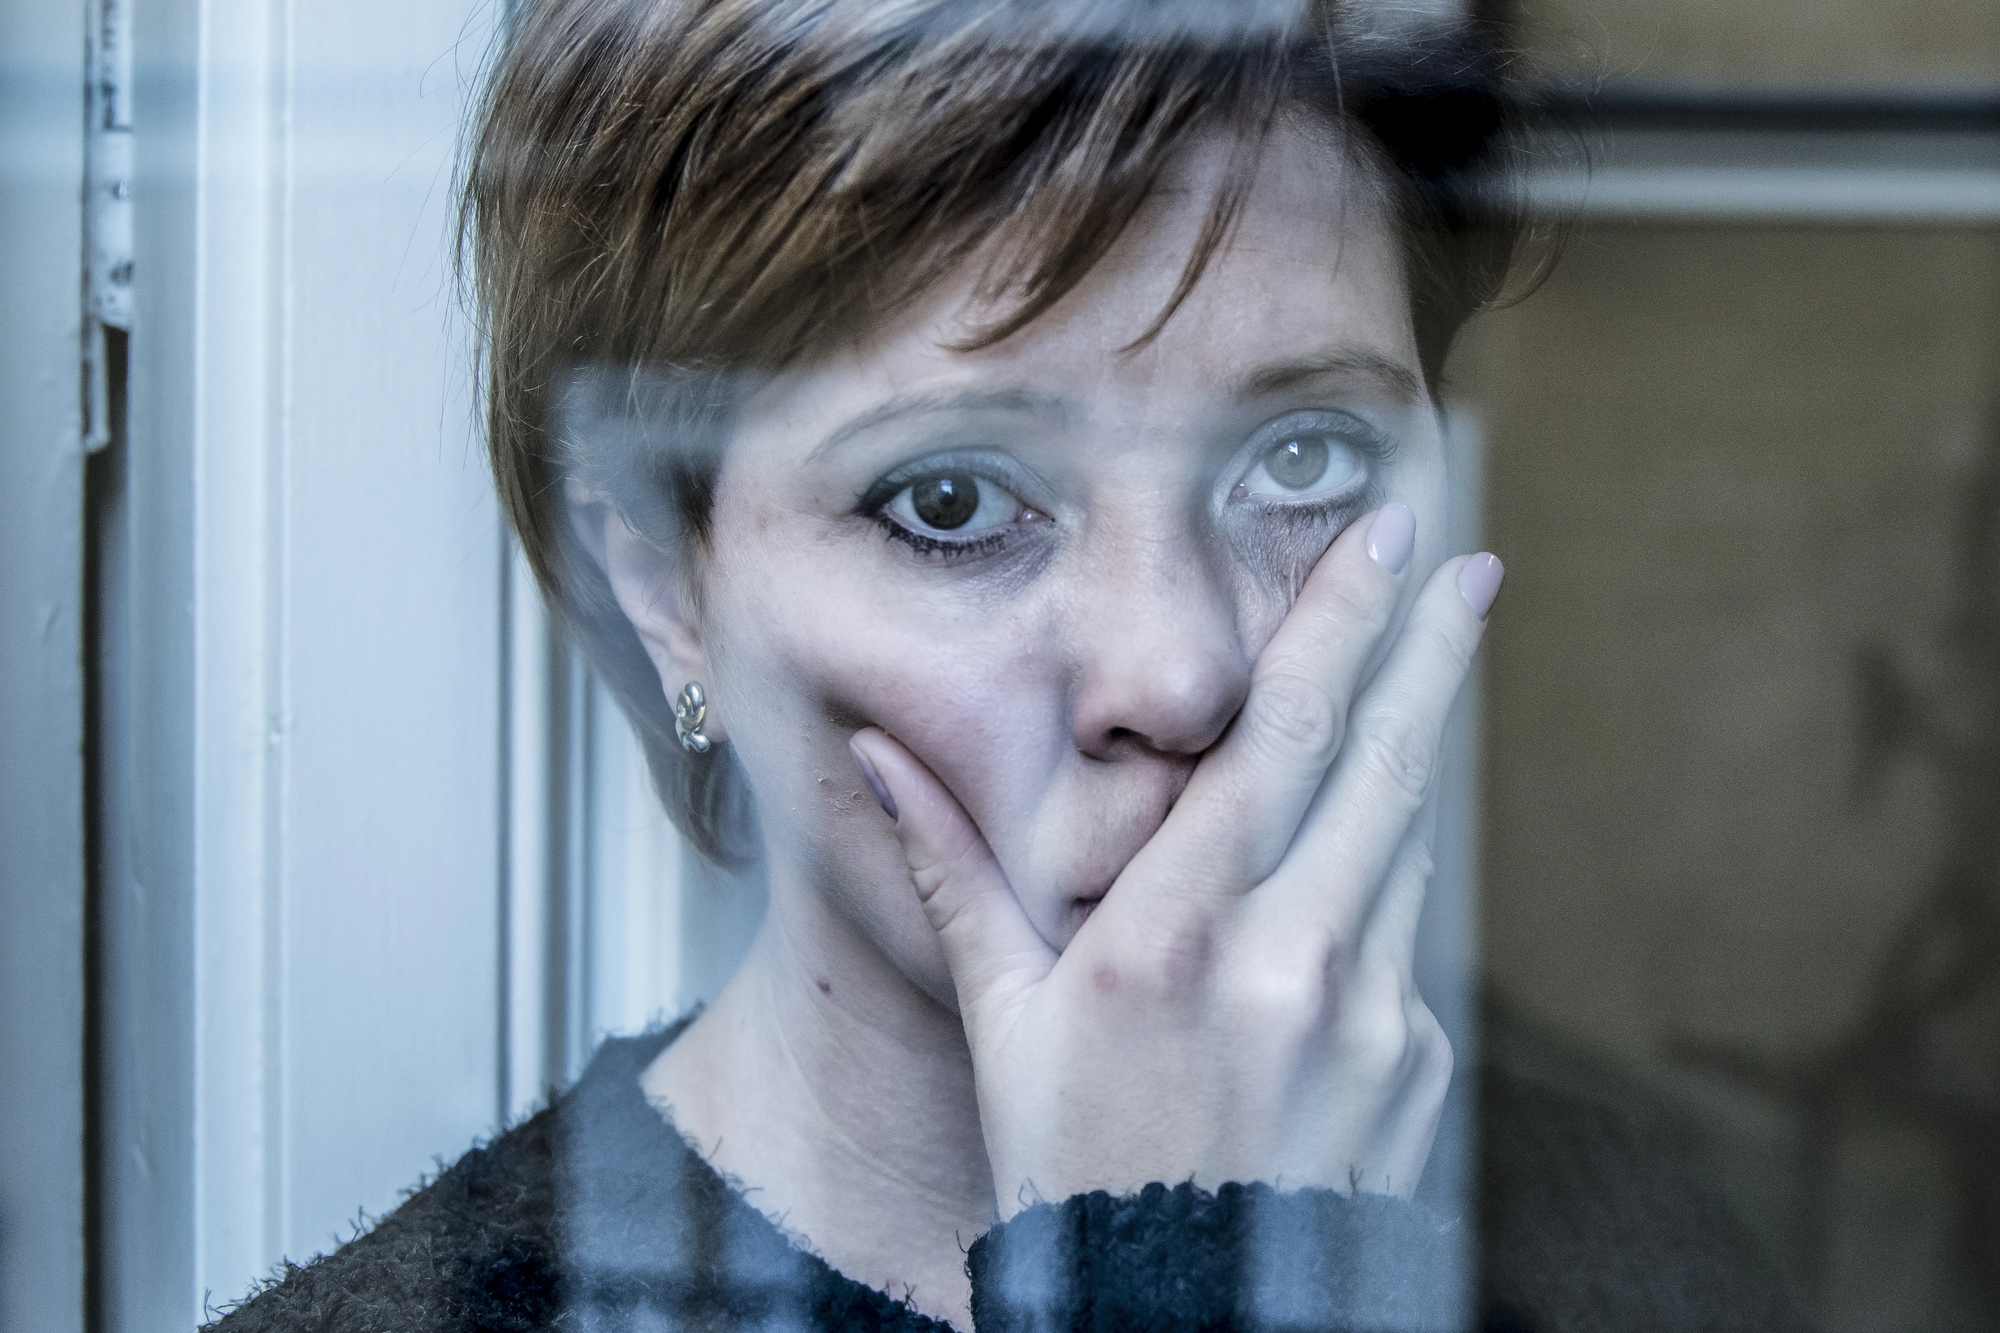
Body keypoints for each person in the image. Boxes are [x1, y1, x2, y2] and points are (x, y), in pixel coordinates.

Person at [210, 1, 1812, 1329]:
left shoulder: (1637, 1250)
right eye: (954, 499)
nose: (1180, 672)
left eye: (1308, 456)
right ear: (662, 578)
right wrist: (1189, 1262)